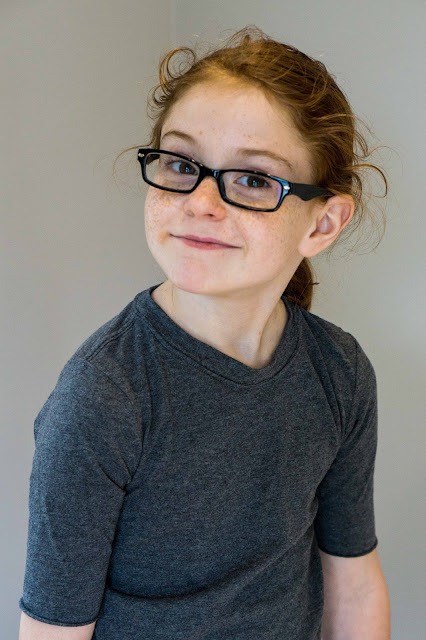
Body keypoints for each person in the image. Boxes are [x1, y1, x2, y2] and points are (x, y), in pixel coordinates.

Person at [18, 25, 391, 640]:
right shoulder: (103, 397)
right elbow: (52, 631)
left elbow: (353, 584)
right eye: (181, 164)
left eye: (253, 179)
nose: (201, 202)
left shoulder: (340, 371)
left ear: (322, 223)